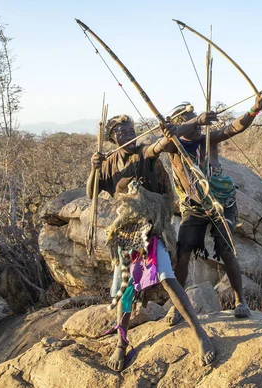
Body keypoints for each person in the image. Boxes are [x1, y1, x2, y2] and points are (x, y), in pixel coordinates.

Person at [87, 114, 217, 370]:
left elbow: (160, 146)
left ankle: (200, 334)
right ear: (113, 138)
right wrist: (94, 168)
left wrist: (183, 127)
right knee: (126, 288)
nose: (129, 134)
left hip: (152, 227)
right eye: (122, 132)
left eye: (131, 129)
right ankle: (121, 345)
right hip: (126, 232)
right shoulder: (109, 163)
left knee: (167, 278)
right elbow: (91, 192)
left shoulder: (143, 153)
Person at [163, 93, 262, 325]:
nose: (197, 123)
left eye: (195, 117)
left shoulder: (208, 140)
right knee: (182, 253)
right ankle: (178, 306)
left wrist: (254, 110)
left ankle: (240, 301)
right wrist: (194, 121)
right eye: (190, 119)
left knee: (226, 248)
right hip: (194, 207)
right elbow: (171, 135)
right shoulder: (174, 147)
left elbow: (233, 129)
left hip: (221, 203)